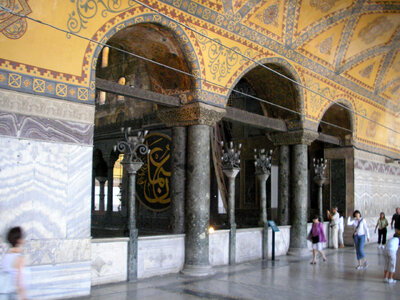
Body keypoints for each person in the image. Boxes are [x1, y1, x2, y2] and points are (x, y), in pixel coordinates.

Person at [1, 227, 28, 300]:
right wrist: (25, 297)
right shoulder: (19, 258)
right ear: (19, 240)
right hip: (12, 295)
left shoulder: (5, 257)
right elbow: (19, 282)